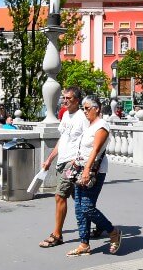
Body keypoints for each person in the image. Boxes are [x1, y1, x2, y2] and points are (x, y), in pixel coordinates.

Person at [39, 87, 101, 248]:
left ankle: (57, 235)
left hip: (72, 163)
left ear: (77, 100)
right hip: (62, 161)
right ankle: (100, 223)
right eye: (64, 97)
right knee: (78, 199)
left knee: (60, 196)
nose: (64, 100)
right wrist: (50, 159)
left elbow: (90, 140)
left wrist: (79, 161)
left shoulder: (83, 117)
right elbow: (63, 139)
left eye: (69, 98)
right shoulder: (66, 115)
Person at [67, 95, 123, 256]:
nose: (84, 111)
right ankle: (84, 243)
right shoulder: (89, 125)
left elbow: (96, 150)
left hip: (93, 171)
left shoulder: (102, 126)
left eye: (87, 108)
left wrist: (86, 169)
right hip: (81, 168)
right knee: (79, 208)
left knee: (87, 207)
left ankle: (113, 232)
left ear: (96, 109)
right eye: (83, 108)